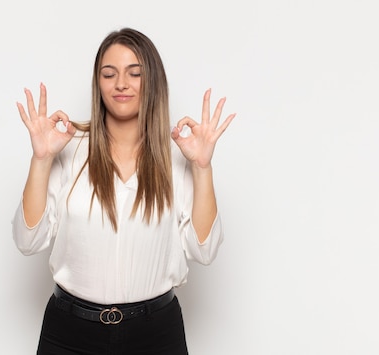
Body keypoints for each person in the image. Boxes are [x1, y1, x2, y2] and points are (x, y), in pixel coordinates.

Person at [13, 27, 235, 354]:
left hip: (156, 333)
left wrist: (202, 168)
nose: (121, 83)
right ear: (97, 83)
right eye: (109, 73)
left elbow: (204, 250)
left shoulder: (179, 155)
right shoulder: (68, 148)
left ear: (153, 81)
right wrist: (41, 159)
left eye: (135, 73)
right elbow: (28, 241)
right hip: (69, 332)